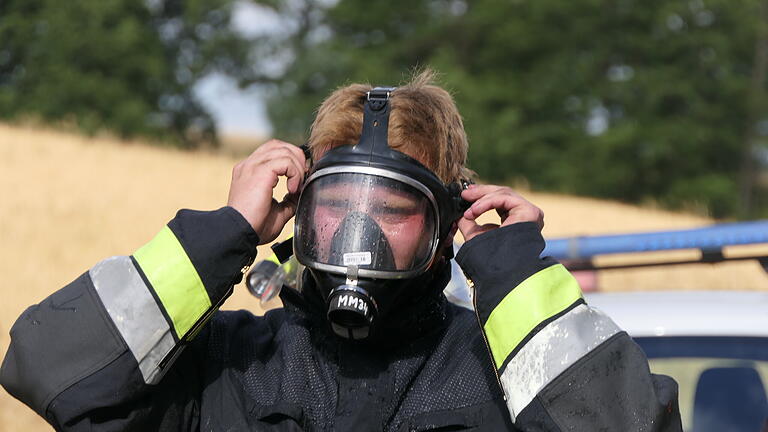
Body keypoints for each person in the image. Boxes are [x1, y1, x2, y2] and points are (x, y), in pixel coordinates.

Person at [0, 71, 682, 431]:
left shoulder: (503, 381)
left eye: (391, 211)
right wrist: (224, 233)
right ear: (297, 208)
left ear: (446, 224)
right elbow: (49, 369)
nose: (359, 237)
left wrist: (511, 278)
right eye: (336, 208)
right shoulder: (227, 365)